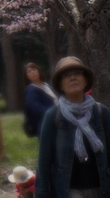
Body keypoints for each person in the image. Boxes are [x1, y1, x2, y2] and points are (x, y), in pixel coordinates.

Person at [37, 56, 110, 198]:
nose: (73, 78)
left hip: (102, 187)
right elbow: (44, 161)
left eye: (77, 73)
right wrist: (42, 193)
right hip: (69, 190)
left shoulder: (101, 112)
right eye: (66, 76)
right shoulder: (53, 116)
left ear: (86, 80)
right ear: (60, 85)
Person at [24, 62, 57, 138]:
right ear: (27, 76)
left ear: (38, 70)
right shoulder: (31, 90)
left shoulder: (48, 85)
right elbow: (36, 108)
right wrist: (53, 114)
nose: (33, 72)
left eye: (34, 69)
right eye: (29, 71)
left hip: (58, 120)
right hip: (45, 124)